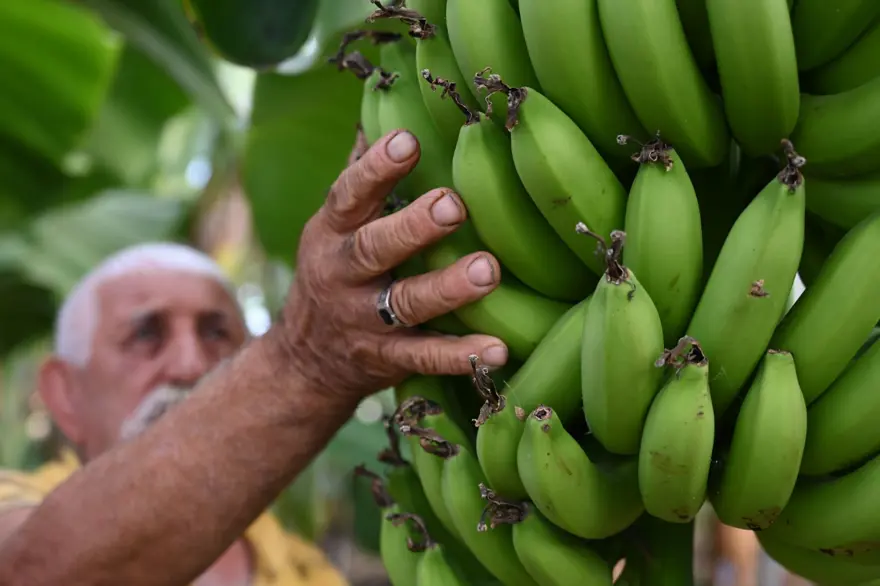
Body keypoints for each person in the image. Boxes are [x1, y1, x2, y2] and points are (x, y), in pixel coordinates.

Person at [0, 128, 511, 585]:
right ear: (62, 394)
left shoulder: (307, 573)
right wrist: (309, 363)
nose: (190, 365)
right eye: (145, 336)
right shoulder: (15, 507)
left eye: (217, 333)